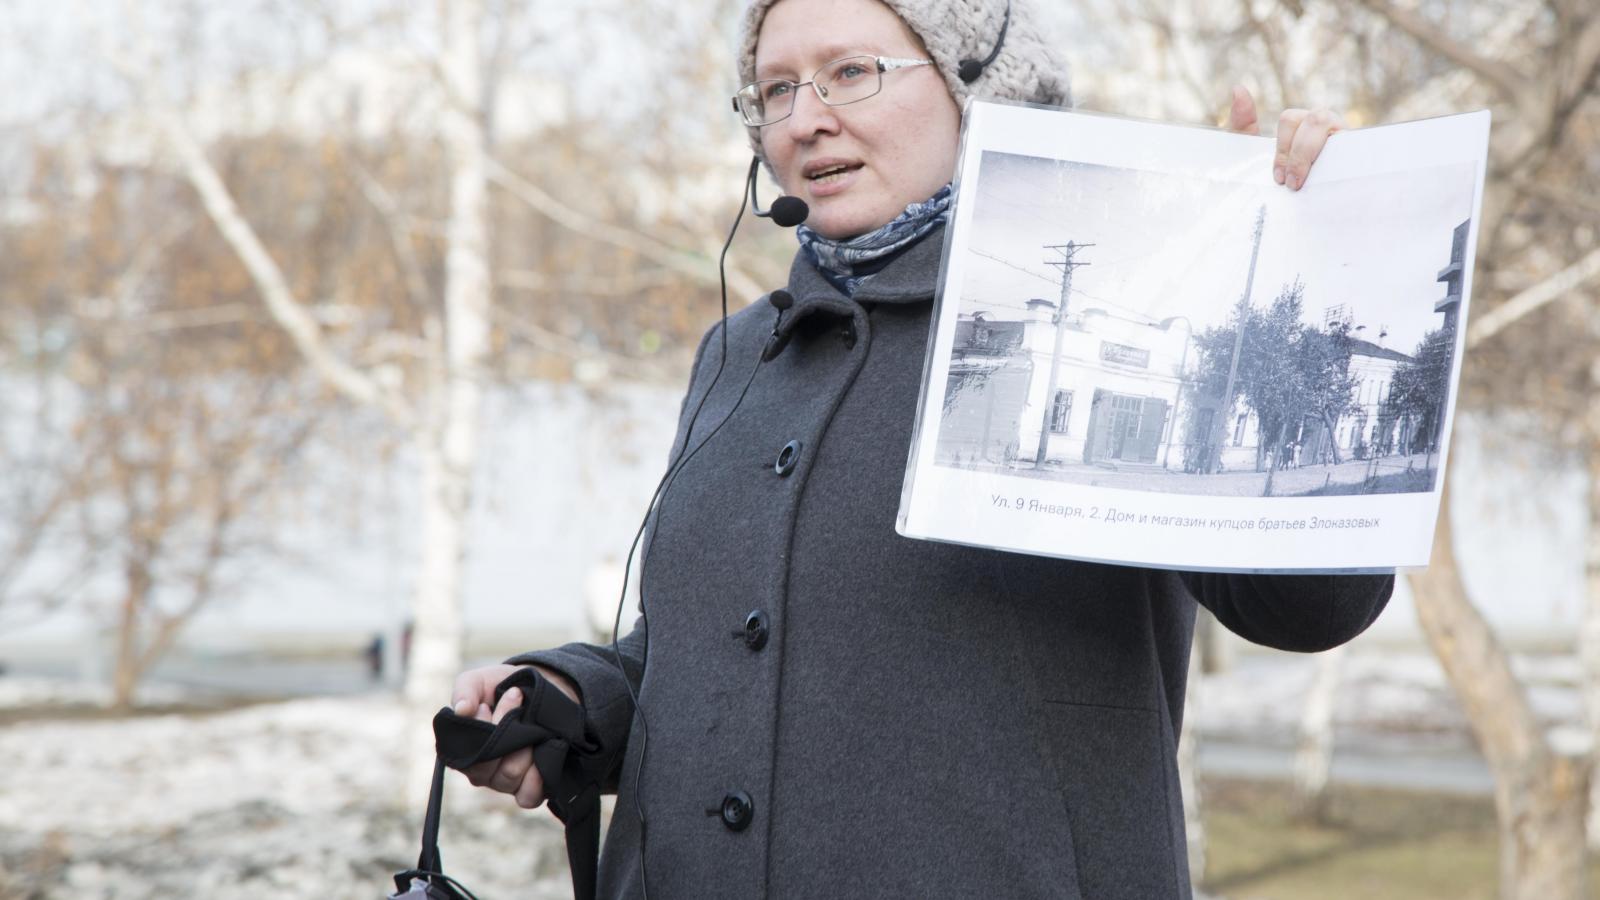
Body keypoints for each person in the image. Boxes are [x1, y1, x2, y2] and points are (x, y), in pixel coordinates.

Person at [451, 1, 1391, 897]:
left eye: (849, 73)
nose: (803, 120)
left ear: (977, 87)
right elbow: (731, 650)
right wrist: (579, 696)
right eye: (774, 90)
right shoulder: (739, 354)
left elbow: (1310, 607)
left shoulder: (1144, 297)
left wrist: (1291, 254)